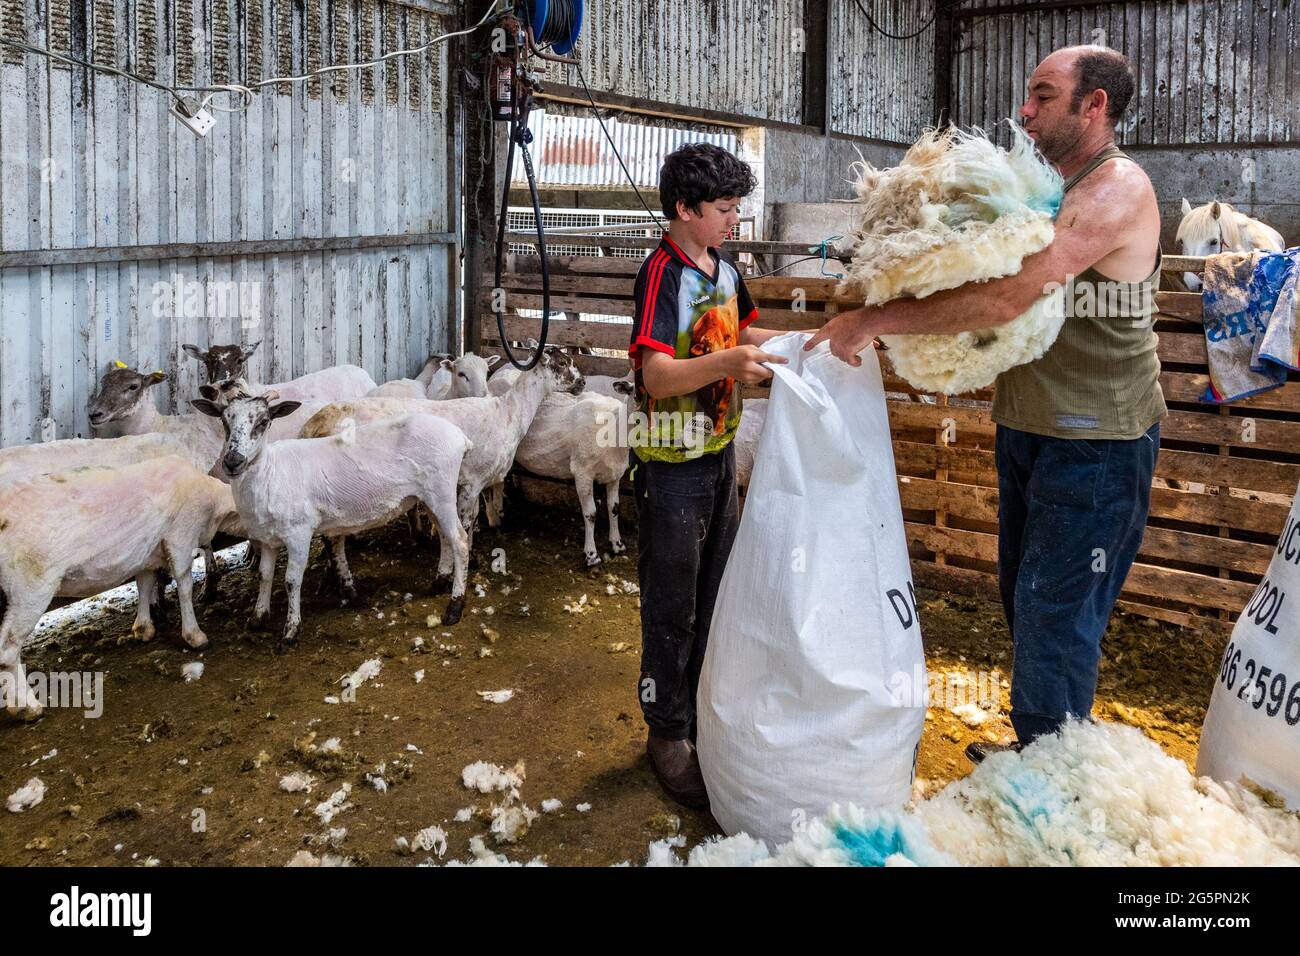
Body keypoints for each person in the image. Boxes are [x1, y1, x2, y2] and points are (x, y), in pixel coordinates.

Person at [807, 45, 1165, 760]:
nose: (1024, 111)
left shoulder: (1113, 190)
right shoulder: (1043, 190)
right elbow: (973, 259)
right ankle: (1046, 750)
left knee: (1056, 613)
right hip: (1031, 425)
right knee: (1024, 597)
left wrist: (874, 321)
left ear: (1094, 106)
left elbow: (1009, 294)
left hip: (1096, 440)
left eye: (1043, 95)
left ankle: (1051, 781)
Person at [628, 143, 787, 806]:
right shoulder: (663, 274)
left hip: (716, 454)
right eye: (724, 208)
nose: (734, 219)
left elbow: (745, 336)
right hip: (671, 466)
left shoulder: (722, 269)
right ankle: (666, 734)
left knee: (715, 596)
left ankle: (698, 717)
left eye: (736, 207)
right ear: (684, 209)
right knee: (672, 608)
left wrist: (806, 353)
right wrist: (726, 366)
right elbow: (654, 374)